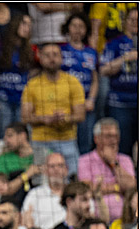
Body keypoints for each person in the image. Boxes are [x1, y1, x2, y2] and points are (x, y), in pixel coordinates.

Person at [21, 43, 86, 178]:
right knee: (41, 182)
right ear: (40, 58)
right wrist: (45, 119)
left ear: (61, 58)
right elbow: (25, 117)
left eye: (55, 55)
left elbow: (80, 115)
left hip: (67, 140)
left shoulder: (73, 82)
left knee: (72, 182)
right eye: (47, 55)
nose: (52, 59)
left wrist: (64, 118)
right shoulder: (32, 85)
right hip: (40, 141)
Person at [77, 119, 137, 224]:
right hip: (96, 219)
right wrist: (117, 188)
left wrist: (113, 163)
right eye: (108, 136)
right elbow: (87, 189)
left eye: (115, 136)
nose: (113, 140)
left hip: (126, 219)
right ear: (96, 139)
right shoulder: (85, 160)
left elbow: (131, 187)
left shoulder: (125, 159)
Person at [98, 5, 138, 156]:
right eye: (132, 19)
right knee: (123, 147)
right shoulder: (114, 44)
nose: (135, 23)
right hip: (120, 103)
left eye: (138, 20)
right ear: (125, 21)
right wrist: (124, 59)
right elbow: (103, 70)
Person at [60, 13, 99, 154]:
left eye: (81, 26)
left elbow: (95, 79)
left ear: (86, 29)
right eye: (74, 25)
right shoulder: (60, 50)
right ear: (68, 28)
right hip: (65, 104)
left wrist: (91, 99)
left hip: (85, 105)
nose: (77, 29)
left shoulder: (91, 52)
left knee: (85, 144)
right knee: (65, 142)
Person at [0, 14, 38, 138]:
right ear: (15, 24)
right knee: (4, 132)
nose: (27, 28)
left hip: (22, 97)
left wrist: (32, 74)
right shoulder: (0, 46)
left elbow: (40, 67)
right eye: (24, 23)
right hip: (2, 96)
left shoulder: (31, 49)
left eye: (29, 25)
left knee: (22, 133)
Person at [22, 153, 70, 229]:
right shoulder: (34, 194)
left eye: (60, 165)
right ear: (45, 171)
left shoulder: (76, 193)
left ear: (66, 170)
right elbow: (25, 223)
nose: (56, 169)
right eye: (52, 166)